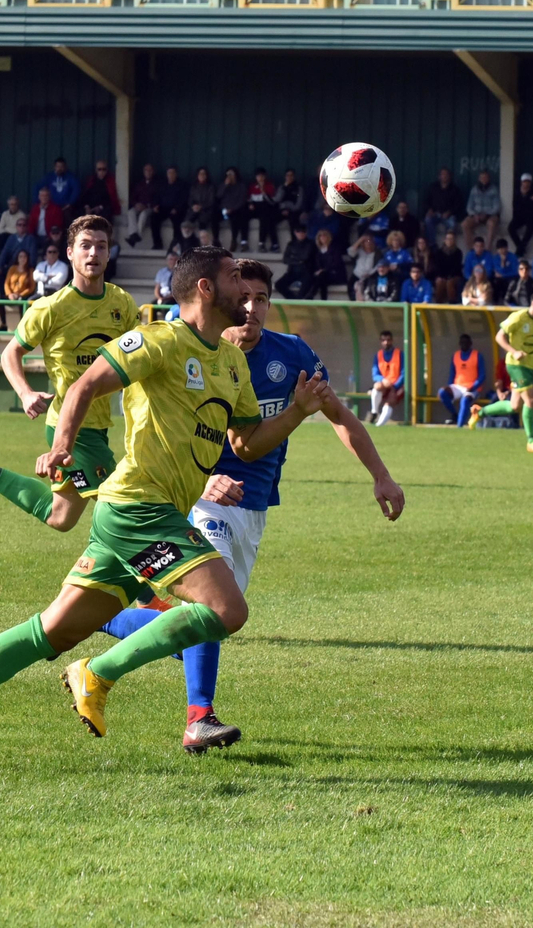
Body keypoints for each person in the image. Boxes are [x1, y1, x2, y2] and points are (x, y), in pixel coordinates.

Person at [0, 246, 332, 763]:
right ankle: (97, 673)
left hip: (139, 515)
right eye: (235, 280)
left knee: (52, 631)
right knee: (225, 609)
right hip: (138, 506)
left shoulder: (233, 362)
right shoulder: (161, 340)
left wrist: (297, 413)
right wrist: (61, 445)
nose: (247, 293)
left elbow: (245, 445)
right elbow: (86, 384)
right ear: (205, 288)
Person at [84, 258, 403, 751]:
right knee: (218, 604)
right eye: (244, 296)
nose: (251, 308)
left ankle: (102, 616)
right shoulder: (188, 348)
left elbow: (338, 414)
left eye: (262, 300)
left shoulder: (291, 354)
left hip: (253, 505)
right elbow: (157, 425)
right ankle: (199, 719)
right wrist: (206, 479)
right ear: (224, 297)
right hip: (200, 501)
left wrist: (381, 476)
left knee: (205, 624)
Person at [470, 291, 533, 453]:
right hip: (515, 365)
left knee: (514, 406)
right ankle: (531, 441)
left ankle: (480, 412)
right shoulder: (518, 318)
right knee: (531, 400)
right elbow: (499, 337)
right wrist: (514, 351)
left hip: (529, 366)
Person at [437, 332, 486, 426]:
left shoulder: (477, 356)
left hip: (472, 387)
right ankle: (455, 415)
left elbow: (482, 376)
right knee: (442, 392)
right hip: (457, 386)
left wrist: (474, 387)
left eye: (466, 342)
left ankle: (460, 426)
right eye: (462, 342)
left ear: (470, 343)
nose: (464, 344)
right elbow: (452, 374)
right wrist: (449, 387)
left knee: (465, 400)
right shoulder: (455, 356)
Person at [370, 329, 404, 426]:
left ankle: (379, 426)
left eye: (388, 340)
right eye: (384, 340)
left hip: (397, 386)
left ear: (392, 341)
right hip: (384, 385)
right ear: (381, 342)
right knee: (377, 386)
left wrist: (395, 386)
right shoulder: (378, 355)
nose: (386, 342)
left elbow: (404, 374)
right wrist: (383, 380)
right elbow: (375, 374)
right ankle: (374, 412)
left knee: (389, 403)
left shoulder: (400, 354)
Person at [464, 169, 500, 249]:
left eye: (485, 177)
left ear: (489, 178)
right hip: (476, 215)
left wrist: (486, 214)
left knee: (491, 224)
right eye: (482, 177)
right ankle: (472, 250)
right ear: (479, 179)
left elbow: (496, 207)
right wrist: (474, 214)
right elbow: (469, 207)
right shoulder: (474, 189)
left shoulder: (494, 189)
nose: (484, 179)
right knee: (464, 224)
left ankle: (487, 249)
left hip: (490, 215)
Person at [428, 230, 463, 303]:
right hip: (442, 275)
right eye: (448, 239)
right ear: (444, 240)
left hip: (454, 275)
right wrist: (442, 276)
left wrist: (449, 276)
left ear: (454, 240)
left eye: (451, 239)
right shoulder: (439, 252)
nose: (449, 241)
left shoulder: (458, 252)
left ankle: (452, 303)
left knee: (449, 283)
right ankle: (438, 304)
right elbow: (437, 266)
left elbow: (456, 267)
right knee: (439, 282)